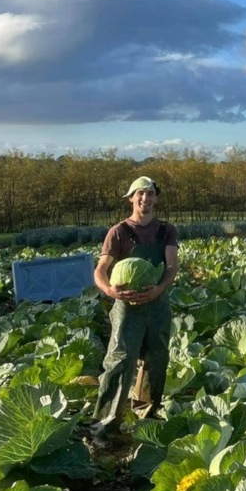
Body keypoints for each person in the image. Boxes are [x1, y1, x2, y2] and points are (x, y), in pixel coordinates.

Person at [90, 176, 179, 444]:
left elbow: (171, 266)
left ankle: (147, 418)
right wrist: (110, 290)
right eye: (140, 194)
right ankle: (103, 428)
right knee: (119, 362)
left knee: (157, 360)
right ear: (131, 198)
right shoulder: (118, 232)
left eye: (150, 194)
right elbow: (101, 270)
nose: (145, 199)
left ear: (155, 198)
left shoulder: (166, 230)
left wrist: (158, 289)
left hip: (157, 304)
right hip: (127, 307)